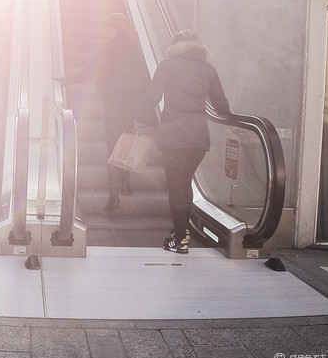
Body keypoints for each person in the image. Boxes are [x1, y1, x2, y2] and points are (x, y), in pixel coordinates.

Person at [137, 29, 232, 254]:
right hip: (198, 139)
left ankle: (180, 240)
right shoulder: (209, 70)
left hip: (173, 137)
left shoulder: (168, 66)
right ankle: (180, 232)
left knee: (176, 187)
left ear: (175, 46)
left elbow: (152, 97)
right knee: (184, 184)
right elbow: (221, 106)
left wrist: (137, 119)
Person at [64, 13, 152, 211]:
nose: (105, 31)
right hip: (135, 101)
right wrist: (148, 107)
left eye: (108, 27)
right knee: (129, 140)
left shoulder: (107, 48)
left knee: (113, 145)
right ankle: (126, 180)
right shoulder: (137, 49)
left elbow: (90, 72)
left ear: (116, 29)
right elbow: (147, 78)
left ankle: (114, 198)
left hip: (114, 101)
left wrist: (67, 80)